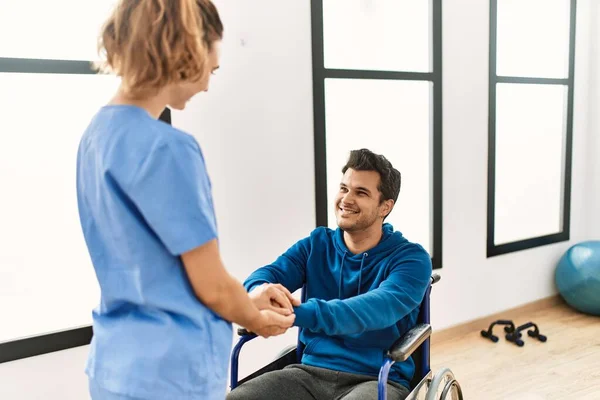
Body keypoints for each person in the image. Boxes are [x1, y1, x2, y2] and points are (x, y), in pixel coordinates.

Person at [76, 1, 296, 399]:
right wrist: (256, 319)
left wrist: (244, 299)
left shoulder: (96, 136)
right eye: (210, 70)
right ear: (186, 48)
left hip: (116, 368)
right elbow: (211, 285)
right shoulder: (168, 149)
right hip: (170, 377)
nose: (207, 85)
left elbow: (155, 273)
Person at [227, 149, 433, 400]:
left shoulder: (411, 259)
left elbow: (372, 310)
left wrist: (294, 315)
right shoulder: (316, 245)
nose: (346, 199)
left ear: (385, 207)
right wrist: (258, 294)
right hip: (309, 371)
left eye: (361, 192)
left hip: (377, 379)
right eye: (344, 188)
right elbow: (269, 275)